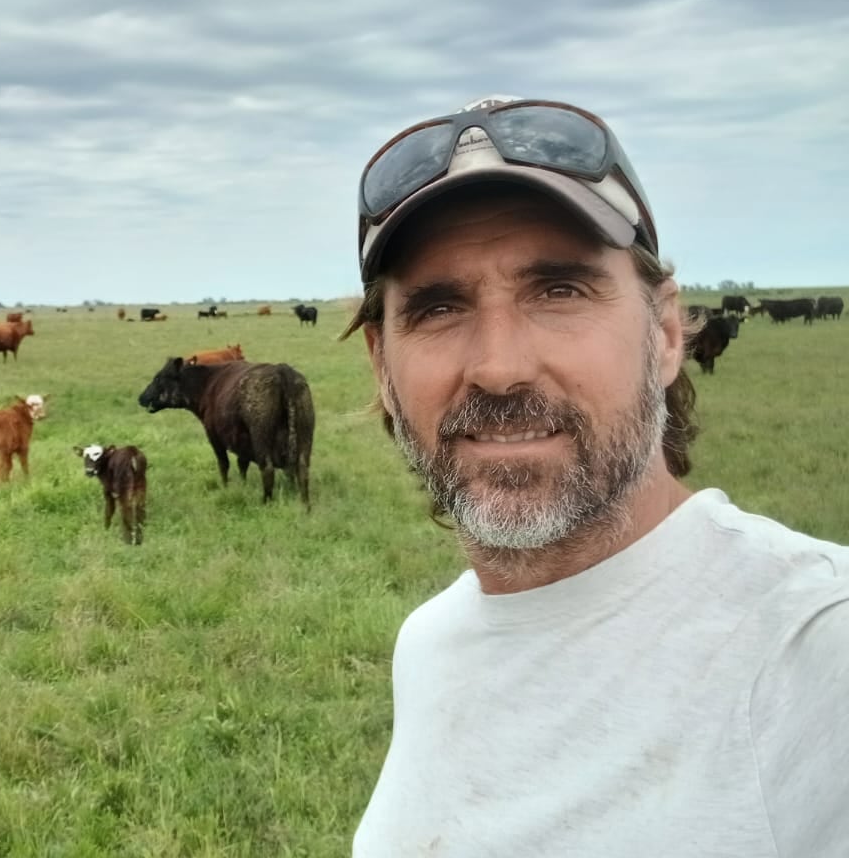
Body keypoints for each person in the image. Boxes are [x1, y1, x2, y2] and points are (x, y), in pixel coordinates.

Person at [344, 96, 849, 856]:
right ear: (383, 367)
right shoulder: (430, 645)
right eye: (439, 307)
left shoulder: (816, 649)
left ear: (668, 332)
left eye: (560, 290)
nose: (501, 369)